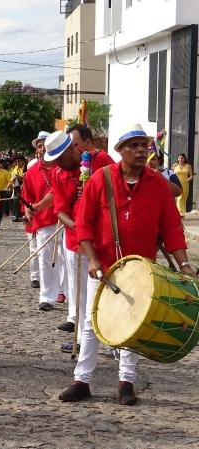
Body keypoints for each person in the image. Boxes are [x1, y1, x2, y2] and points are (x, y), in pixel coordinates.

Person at [59, 123, 194, 406]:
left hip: (141, 271)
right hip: (104, 267)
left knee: (136, 325)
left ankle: (126, 383)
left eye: (144, 145)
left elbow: (171, 228)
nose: (141, 150)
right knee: (89, 324)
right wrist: (92, 258)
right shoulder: (100, 179)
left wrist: (184, 265)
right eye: (133, 146)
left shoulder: (158, 184)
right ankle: (82, 381)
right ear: (120, 151)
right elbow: (82, 224)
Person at [45, 130, 115, 354]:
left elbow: (118, 187)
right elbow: (60, 211)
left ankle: (117, 342)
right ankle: (85, 342)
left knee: (113, 290)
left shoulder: (99, 159)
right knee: (82, 296)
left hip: (105, 239)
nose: (56, 163)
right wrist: (79, 227)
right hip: (76, 242)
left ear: (71, 149)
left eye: (59, 158)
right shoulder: (57, 174)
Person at [22, 134, 68, 311]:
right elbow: (27, 197)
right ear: (37, 149)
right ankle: (47, 296)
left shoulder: (62, 166)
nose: (43, 148)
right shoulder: (32, 172)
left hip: (64, 219)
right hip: (43, 220)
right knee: (45, 260)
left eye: (45, 145)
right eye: (40, 146)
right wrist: (28, 211)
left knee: (66, 259)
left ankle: (65, 292)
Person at [172, 152, 193, 217]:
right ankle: (180, 213)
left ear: (184, 159)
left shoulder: (188, 166)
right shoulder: (175, 166)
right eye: (179, 158)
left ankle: (181, 213)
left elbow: (191, 175)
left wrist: (189, 179)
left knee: (184, 199)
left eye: (182, 158)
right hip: (177, 183)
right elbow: (172, 174)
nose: (180, 159)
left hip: (185, 183)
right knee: (179, 198)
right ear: (177, 159)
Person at [10, 156, 26, 221]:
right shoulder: (15, 169)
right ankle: (17, 215)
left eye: (19, 161)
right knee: (16, 201)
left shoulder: (26, 168)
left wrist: (19, 177)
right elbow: (12, 177)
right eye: (16, 161)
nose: (17, 163)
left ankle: (23, 214)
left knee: (23, 201)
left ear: (23, 161)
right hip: (16, 188)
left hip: (24, 187)